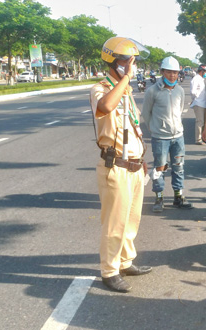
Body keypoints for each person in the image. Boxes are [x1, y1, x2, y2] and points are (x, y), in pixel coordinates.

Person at [89, 37, 152, 293]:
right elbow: (105, 107)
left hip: (133, 166)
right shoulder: (101, 88)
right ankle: (109, 271)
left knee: (131, 219)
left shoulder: (124, 91)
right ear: (114, 62)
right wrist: (126, 79)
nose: (132, 64)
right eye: (128, 60)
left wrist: (141, 158)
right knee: (114, 223)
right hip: (114, 166)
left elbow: (132, 128)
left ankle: (125, 262)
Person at [142, 56, 194, 212]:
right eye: (169, 72)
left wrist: (176, 126)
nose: (172, 75)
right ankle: (159, 198)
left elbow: (179, 111)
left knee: (179, 167)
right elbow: (146, 113)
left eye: (175, 72)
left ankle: (178, 196)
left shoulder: (179, 90)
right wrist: (155, 129)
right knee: (160, 168)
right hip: (160, 138)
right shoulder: (152, 91)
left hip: (178, 137)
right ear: (162, 72)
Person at [190, 65, 206, 145]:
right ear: (202, 71)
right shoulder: (196, 79)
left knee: (204, 121)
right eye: (205, 72)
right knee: (200, 121)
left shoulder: (202, 79)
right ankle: (198, 139)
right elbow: (193, 92)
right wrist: (196, 98)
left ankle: (204, 138)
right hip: (198, 103)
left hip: (203, 103)